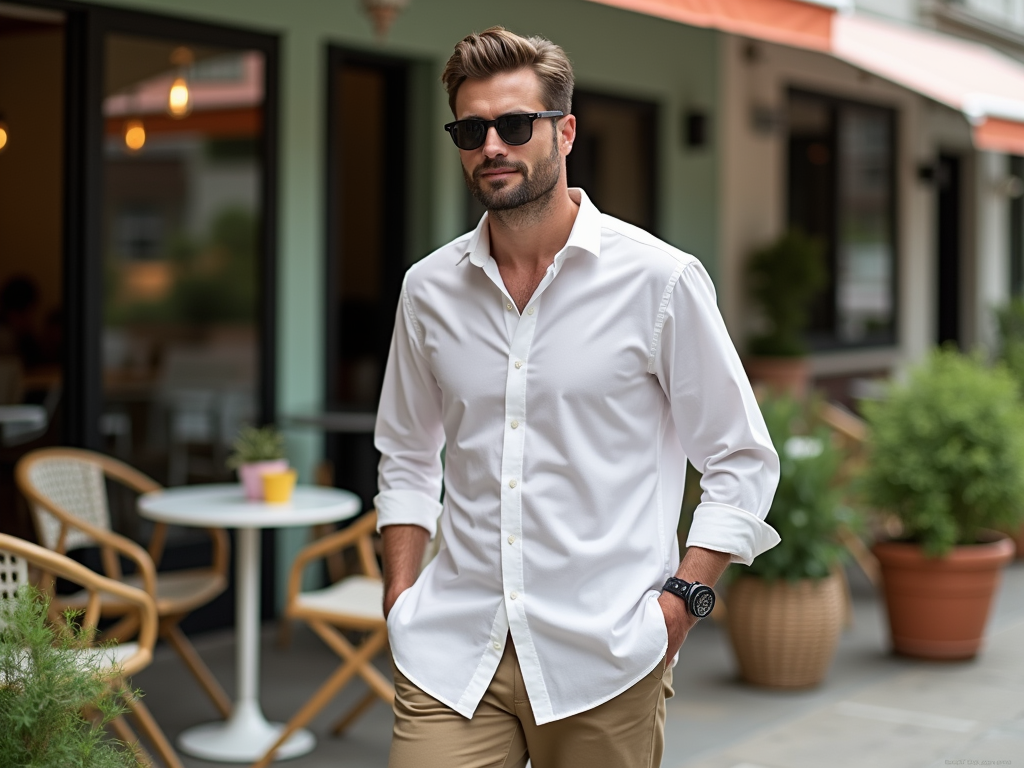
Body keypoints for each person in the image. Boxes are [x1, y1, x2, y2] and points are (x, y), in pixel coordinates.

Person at [374, 27, 781, 768]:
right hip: (452, 651)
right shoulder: (427, 289)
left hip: (607, 656)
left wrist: (680, 606)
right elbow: (405, 450)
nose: (492, 144)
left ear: (563, 132)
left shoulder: (660, 281)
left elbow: (741, 460)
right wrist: (401, 593)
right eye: (472, 129)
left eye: (514, 124)